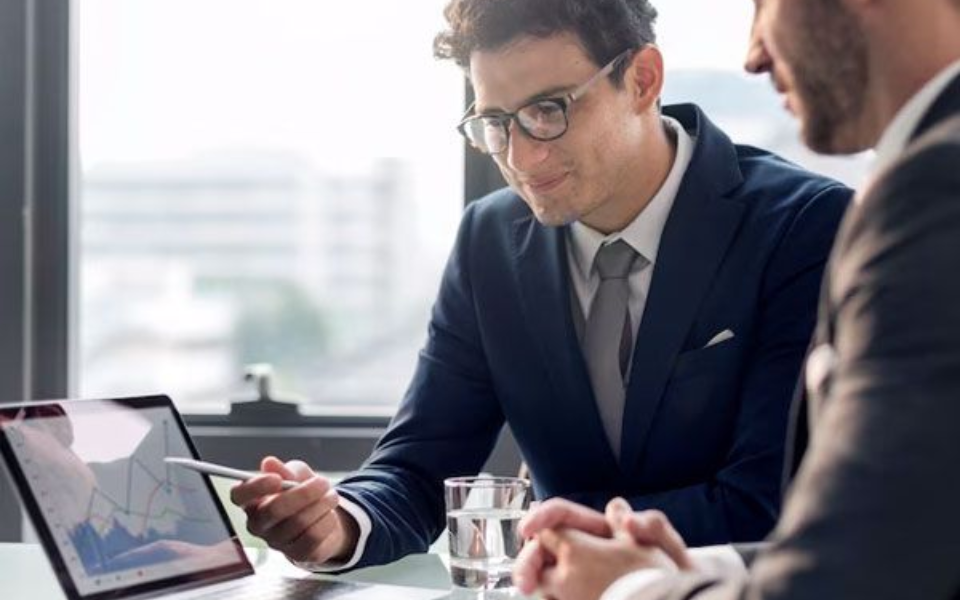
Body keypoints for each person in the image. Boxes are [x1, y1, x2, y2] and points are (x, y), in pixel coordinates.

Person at [229, 0, 851, 572]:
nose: (521, 159)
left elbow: (770, 501)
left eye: (548, 111)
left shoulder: (804, 227)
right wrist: (336, 524)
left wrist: (557, 538)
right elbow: (419, 468)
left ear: (642, 80)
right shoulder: (490, 240)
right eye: (495, 123)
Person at [513, 0, 960, 598]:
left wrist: (632, 589)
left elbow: (848, 581)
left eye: (763, 4)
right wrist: (686, 568)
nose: (753, 55)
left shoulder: (933, 191)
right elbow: (905, 535)